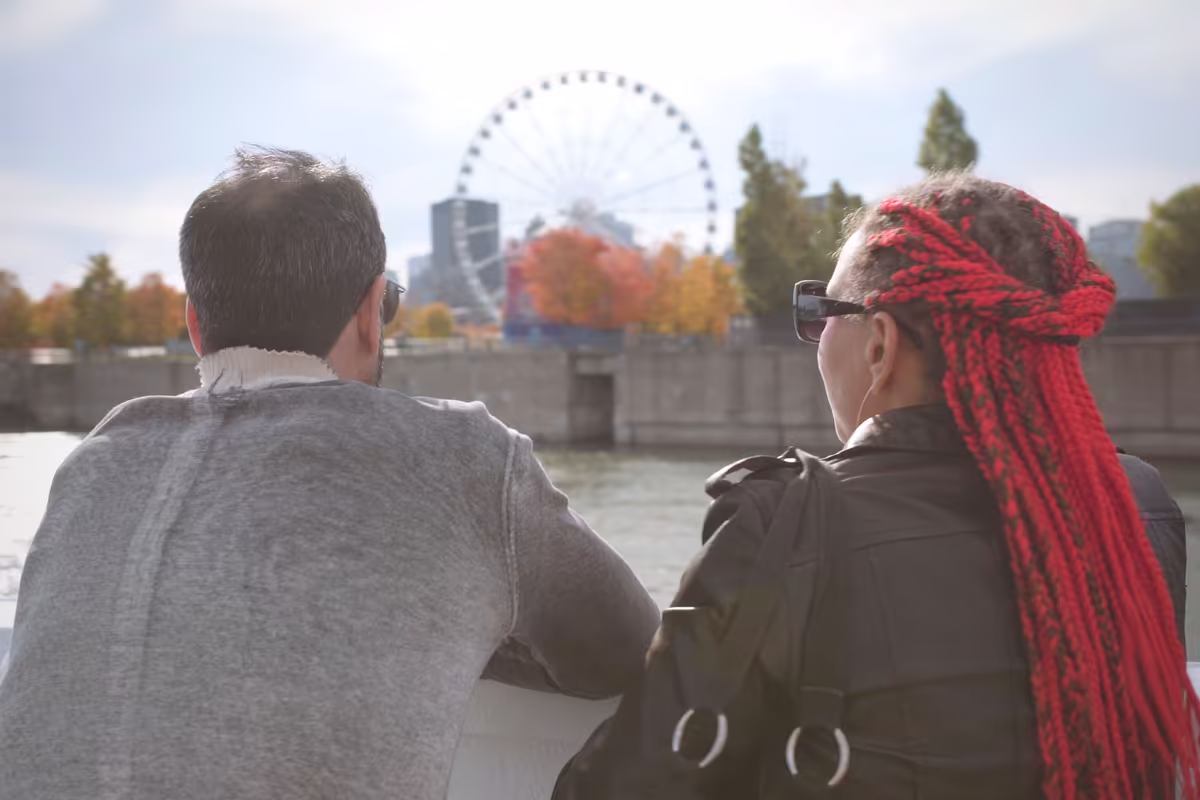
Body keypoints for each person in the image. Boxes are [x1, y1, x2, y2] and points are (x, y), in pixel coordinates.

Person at [0, 147, 660, 799]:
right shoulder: (466, 457)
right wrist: (456, 630)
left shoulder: (93, 463)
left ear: (195, 326)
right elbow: (632, 649)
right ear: (374, 313)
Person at [553, 172, 1195, 799]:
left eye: (822, 312)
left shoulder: (786, 521)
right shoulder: (1136, 504)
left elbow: (635, 780)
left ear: (881, 345)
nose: (816, 337)